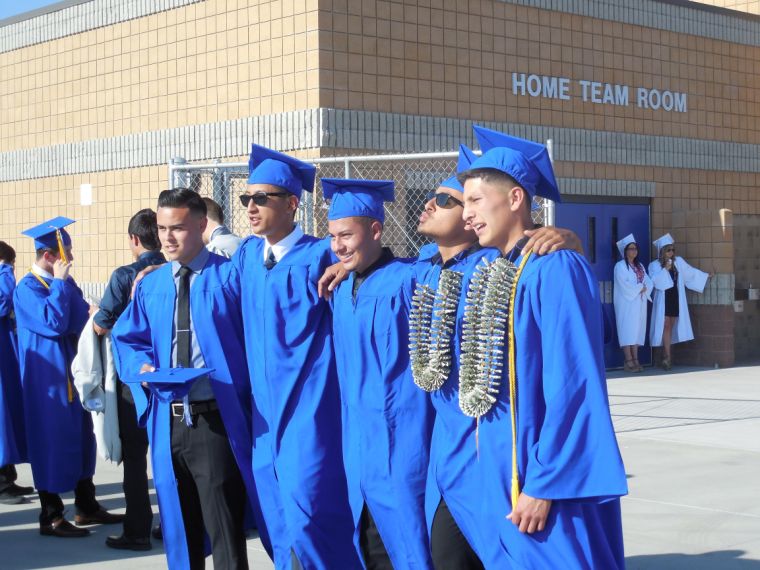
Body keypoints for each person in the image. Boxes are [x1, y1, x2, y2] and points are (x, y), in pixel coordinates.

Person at [456, 127, 627, 568]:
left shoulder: (554, 268)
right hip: (501, 467)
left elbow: (573, 384)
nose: (466, 215)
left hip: (540, 477)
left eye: (475, 201)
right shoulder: (496, 267)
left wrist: (544, 483)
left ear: (515, 199)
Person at [111, 189, 268, 570]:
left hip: (214, 420)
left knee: (223, 529)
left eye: (177, 228)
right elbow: (128, 337)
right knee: (179, 531)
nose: (167, 237)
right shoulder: (152, 284)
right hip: (167, 422)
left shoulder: (229, 276)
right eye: (163, 228)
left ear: (201, 226)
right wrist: (142, 366)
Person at [233, 145, 359, 569]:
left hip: (311, 413)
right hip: (264, 419)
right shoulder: (247, 256)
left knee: (311, 515)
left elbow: (388, 275)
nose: (251, 207)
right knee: (276, 518)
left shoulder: (321, 254)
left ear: (291, 203)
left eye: (261, 198)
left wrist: (354, 266)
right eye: (246, 199)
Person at [325, 177, 435, 569]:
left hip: (403, 444)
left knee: (408, 544)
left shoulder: (410, 279)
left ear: (375, 229)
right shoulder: (339, 288)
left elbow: (464, 260)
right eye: (332, 236)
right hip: (358, 450)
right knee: (368, 545)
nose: (337, 246)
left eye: (346, 235)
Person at [14, 217, 123, 537]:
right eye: (67, 252)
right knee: (50, 443)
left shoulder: (66, 283)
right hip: (45, 382)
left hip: (74, 375)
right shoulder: (28, 288)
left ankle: (86, 506)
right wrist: (61, 285)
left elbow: (82, 317)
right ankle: (51, 516)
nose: (71, 258)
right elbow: (55, 322)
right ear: (50, 256)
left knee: (81, 439)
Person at [92, 208, 166, 551]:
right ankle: (171, 524)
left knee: (136, 459)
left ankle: (137, 529)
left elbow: (101, 325)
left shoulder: (125, 276)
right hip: (167, 376)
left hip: (132, 380)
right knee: (168, 456)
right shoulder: (172, 269)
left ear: (134, 239)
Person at [0, 241, 33, 505]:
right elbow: (4, 299)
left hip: (6, 360)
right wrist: (4, 271)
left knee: (8, 418)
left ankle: (7, 477)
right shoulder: (4, 280)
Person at [649, 234, 711, 370]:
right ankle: (667, 357)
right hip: (663, 299)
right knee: (664, 324)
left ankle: (666, 353)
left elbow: (690, 273)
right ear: (662, 251)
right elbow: (655, 282)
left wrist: (705, 276)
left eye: (673, 250)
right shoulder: (654, 265)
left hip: (674, 297)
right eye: (668, 250)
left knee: (670, 325)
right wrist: (665, 268)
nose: (671, 253)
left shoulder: (679, 262)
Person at [613, 234, 653, 372]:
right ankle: (628, 360)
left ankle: (636, 359)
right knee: (627, 329)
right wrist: (640, 288)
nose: (633, 251)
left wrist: (644, 287)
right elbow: (624, 285)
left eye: (635, 248)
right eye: (630, 248)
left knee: (637, 331)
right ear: (625, 251)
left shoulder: (639, 265)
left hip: (639, 302)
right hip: (627, 303)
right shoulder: (620, 266)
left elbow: (648, 281)